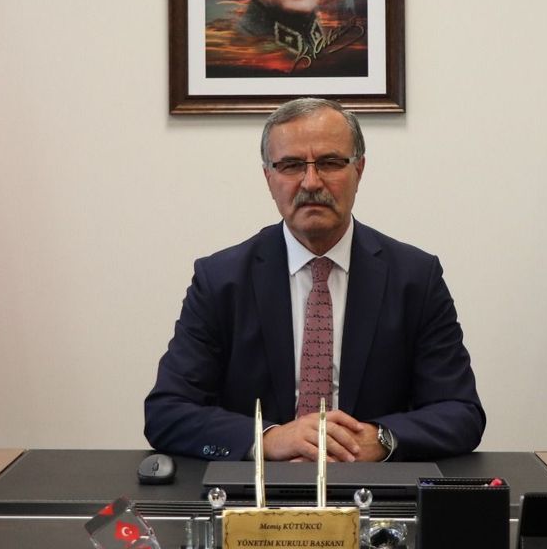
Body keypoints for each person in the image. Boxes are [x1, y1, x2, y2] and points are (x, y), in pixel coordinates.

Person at [145, 98, 485, 462]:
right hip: (257, 486)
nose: (311, 182)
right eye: (291, 165)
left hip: (373, 485)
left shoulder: (415, 278)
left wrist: (381, 439)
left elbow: (460, 411)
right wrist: (266, 439)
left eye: (330, 162)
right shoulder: (220, 280)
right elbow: (167, 412)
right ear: (269, 178)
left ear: (359, 171)